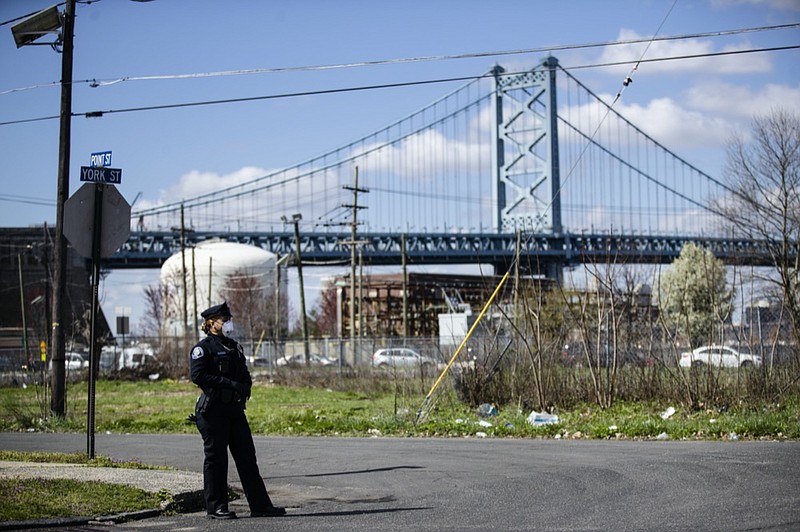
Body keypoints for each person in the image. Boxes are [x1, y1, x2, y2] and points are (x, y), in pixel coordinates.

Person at [190, 301, 285, 520]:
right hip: (213, 411)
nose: (228, 324)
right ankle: (216, 507)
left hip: (234, 410)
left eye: (228, 320)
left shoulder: (233, 346)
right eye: (224, 320)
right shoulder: (203, 349)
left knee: (247, 457)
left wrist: (245, 384)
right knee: (216, 459)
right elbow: (198, 376)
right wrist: (228, 384)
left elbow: (243, 370)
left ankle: (260, 506)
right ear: (212, 323)